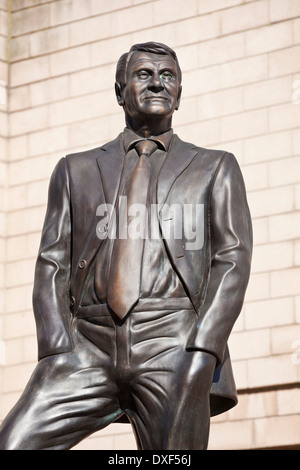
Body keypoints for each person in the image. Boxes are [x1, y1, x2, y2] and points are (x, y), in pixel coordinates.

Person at [0, 42, 252, 450]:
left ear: (180, 94)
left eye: (167, 76)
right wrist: (56, 348)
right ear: (119, 92)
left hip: (172, 341)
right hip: (85, 347)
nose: (157, 83)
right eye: (144, 74)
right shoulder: (75, 170)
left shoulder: (215, 166)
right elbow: (51, 263)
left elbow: (233, 259)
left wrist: (203, 348)